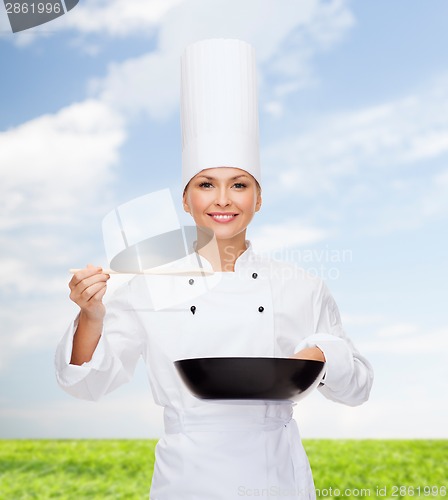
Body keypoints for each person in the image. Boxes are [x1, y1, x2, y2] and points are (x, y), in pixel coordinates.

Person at [55, 39, 373, 500]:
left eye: (239, 185)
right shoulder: (149, 287)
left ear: (258, 199)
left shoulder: (302, 285)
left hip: (276, 477)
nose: (223, 199)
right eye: (206, 184)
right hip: (189, 478)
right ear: (186, 200)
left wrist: (323, 355)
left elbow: (358, 388)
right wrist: (91, 316)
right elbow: (86, 383)